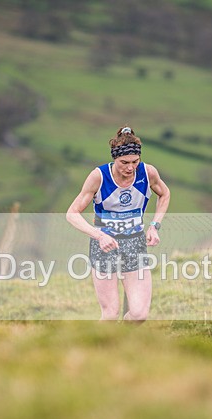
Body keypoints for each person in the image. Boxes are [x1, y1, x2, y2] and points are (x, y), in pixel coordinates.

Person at [66, 126, 171, 322]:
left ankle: (121, 343)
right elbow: (72, 214)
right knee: (110, 315)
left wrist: (154, 226)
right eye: (124, 162)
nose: (130, 168)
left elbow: (165, 194)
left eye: (134, 162)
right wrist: (99, 235)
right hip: (104, 247)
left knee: (139, 315)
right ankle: (95, 349)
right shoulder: (99, 176)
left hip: (135, 245)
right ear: (114, 158)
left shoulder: (148, 173)